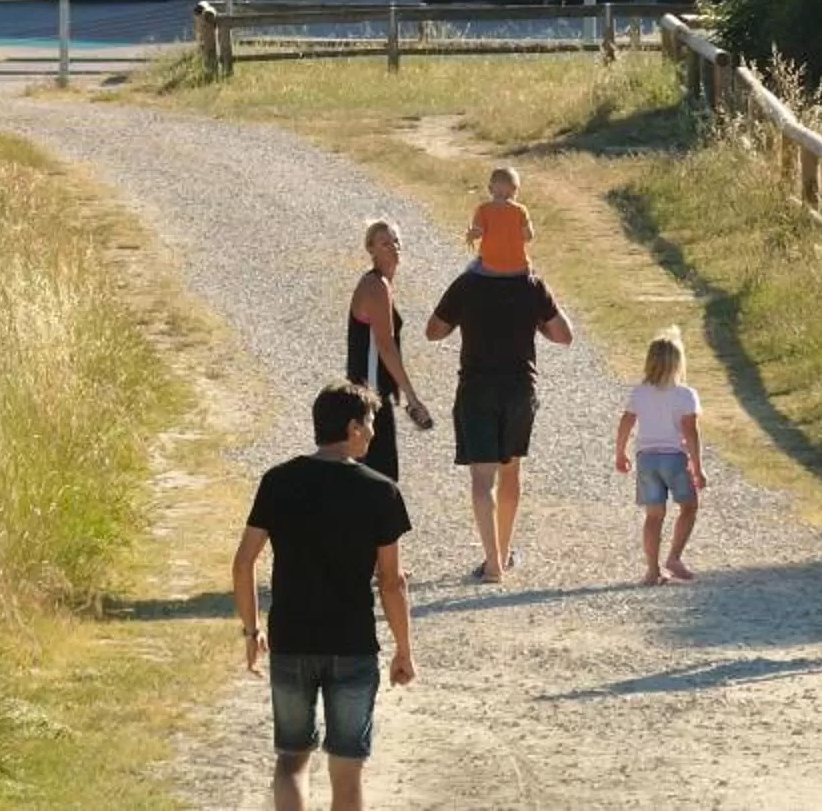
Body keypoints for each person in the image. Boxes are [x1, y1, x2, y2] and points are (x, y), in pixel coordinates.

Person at [232, 381, 416, 811]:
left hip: (291, 640)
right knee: (347, 770)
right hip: (351, 644)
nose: (372, 433)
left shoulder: (278, 481)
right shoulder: (380, 490)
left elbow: (243, 564)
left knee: (292, 760)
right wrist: (404, 650)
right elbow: (391, 581)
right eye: (370, 423)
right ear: (352, 428)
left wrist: (251, 630)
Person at [426, 258, 573, 583]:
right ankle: (504, 555)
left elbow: (433, 331)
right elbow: (564, 335)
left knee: (482, 478)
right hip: (520, 388)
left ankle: (492, 564)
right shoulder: (531, 285)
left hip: (477, 388)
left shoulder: (466, 284)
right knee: (511, 470)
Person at [613, 327, 707, 586]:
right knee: (689, 506)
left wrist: (620, 452)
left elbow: (626, 422)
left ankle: (652, 570)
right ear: (678, 363)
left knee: (653, 516)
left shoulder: (640, 392)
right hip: (675, 458)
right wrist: (698, 467)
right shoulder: (685, 395)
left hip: (646, 459)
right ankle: (674, 557)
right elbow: (691, 432)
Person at [347, 220, 433, 486]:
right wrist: (411, 397)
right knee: (378, 477)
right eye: (385, 243)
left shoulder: (382, 284)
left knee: (374, 475)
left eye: (396, 241)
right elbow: (385, 345)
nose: (394, 247)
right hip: (371, 393)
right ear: (371, 249)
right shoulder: (376, 286)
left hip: (372, 390)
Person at [464, 166, 533, 277]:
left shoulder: (483, 209)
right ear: (515, 190)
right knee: (536, 283)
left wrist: (470, 235)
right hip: (519, 268)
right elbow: (529, 237)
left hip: (489, 267)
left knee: (469, 271)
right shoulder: (520, 210)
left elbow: (477, 233)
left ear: (490, 189)